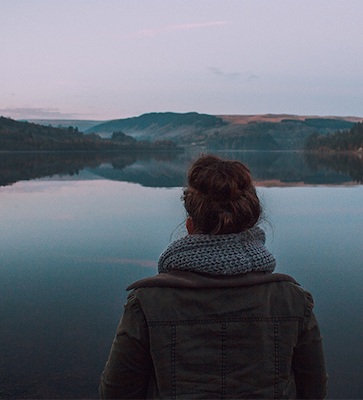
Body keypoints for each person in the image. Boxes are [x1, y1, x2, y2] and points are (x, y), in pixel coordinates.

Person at [100, 155, 328, 399]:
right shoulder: (293, 301)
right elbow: (314, 392)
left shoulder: (146, 304)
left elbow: (115, 394)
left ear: (190, 227)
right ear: (250, 227)